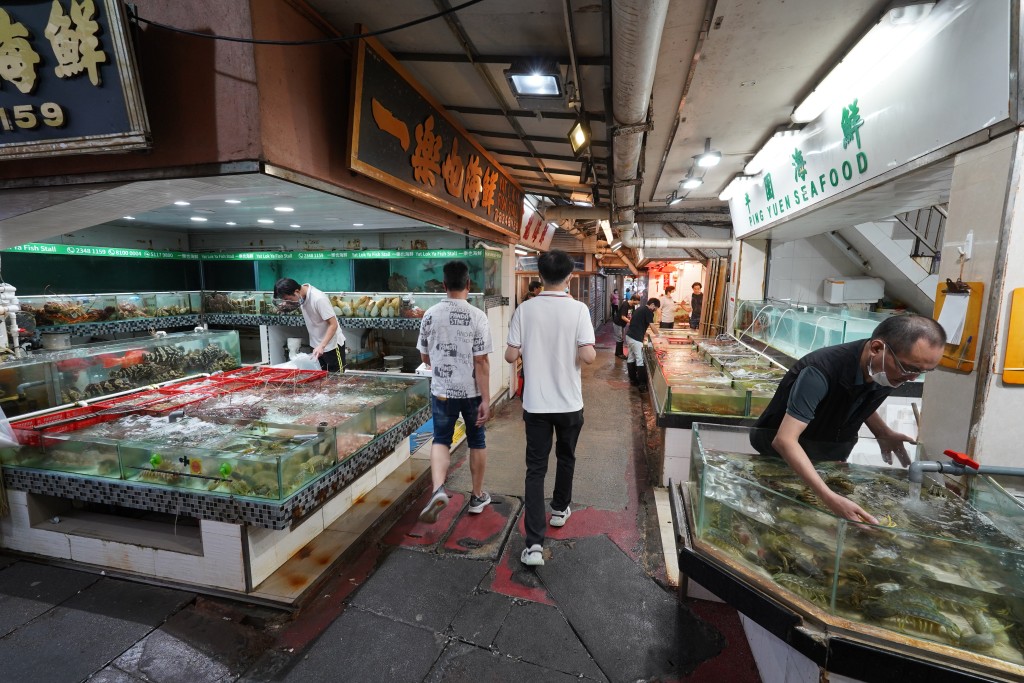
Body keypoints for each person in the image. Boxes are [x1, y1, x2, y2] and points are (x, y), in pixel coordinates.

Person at [751, 315, 945, 524]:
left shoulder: (887, 370)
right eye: (909, 368)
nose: (913, 378)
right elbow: (785, 440)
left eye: (923, 372)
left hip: (828, 455)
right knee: (782, 518)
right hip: (783, 457)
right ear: (877, 348)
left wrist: (882, 432)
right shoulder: (820, 370)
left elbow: (856, 397)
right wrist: (828, 498)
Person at [504, 250, 596, 567]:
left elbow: (509, 355)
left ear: (539, 277)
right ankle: (559, 509)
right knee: (566, 456)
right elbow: (588, 356)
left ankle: (533, 546)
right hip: (569, 403)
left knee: (535, 469)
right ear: (569, 277)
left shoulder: (525, 310)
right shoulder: (579, 310)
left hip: (537, 404)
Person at [416, 261, 493, 523]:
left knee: (440, 440)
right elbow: (481, 362)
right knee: (477, 441)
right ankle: (477, 496)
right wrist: (486, 399)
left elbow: (425, 357)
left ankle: (438, 489)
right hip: (471, 393)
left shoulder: (430, 315)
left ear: (444, 285)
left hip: (441, 392)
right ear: (468, 285)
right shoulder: (478, 316)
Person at [273, 278, 345, 372]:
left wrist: (322, 346)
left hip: (331, 346)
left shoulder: (318, 298)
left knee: (336, 379)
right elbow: (298, 303)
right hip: (316, 346)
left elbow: (333, 325)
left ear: (296, 291)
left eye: (288, 299)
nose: (288, 301)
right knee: (320, 379)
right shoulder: (301, 295)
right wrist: (287, 304)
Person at [625, 297, 660, 392]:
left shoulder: (639, 309)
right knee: (640, 359)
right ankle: (642, 384)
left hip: (629, 336)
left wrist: (645, 333)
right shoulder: (648, 312)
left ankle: (633, 380)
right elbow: (652, 326)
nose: (655, 310)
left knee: (631, 357)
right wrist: (658, 336)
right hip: (636, 339)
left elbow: (636, 323)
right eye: (655, 308)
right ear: (652, 305)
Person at [614, 293, 637, 359]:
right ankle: (620, 354)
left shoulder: (632, 305)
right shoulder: (625, 305)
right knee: (619, 338)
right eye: (635, 303)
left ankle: (617, 353)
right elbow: (623, 317)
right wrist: (631, 322)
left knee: (621, 338)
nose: (635, 305)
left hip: (622, 324)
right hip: (618, 323)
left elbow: (632, 315)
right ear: (632, 299)